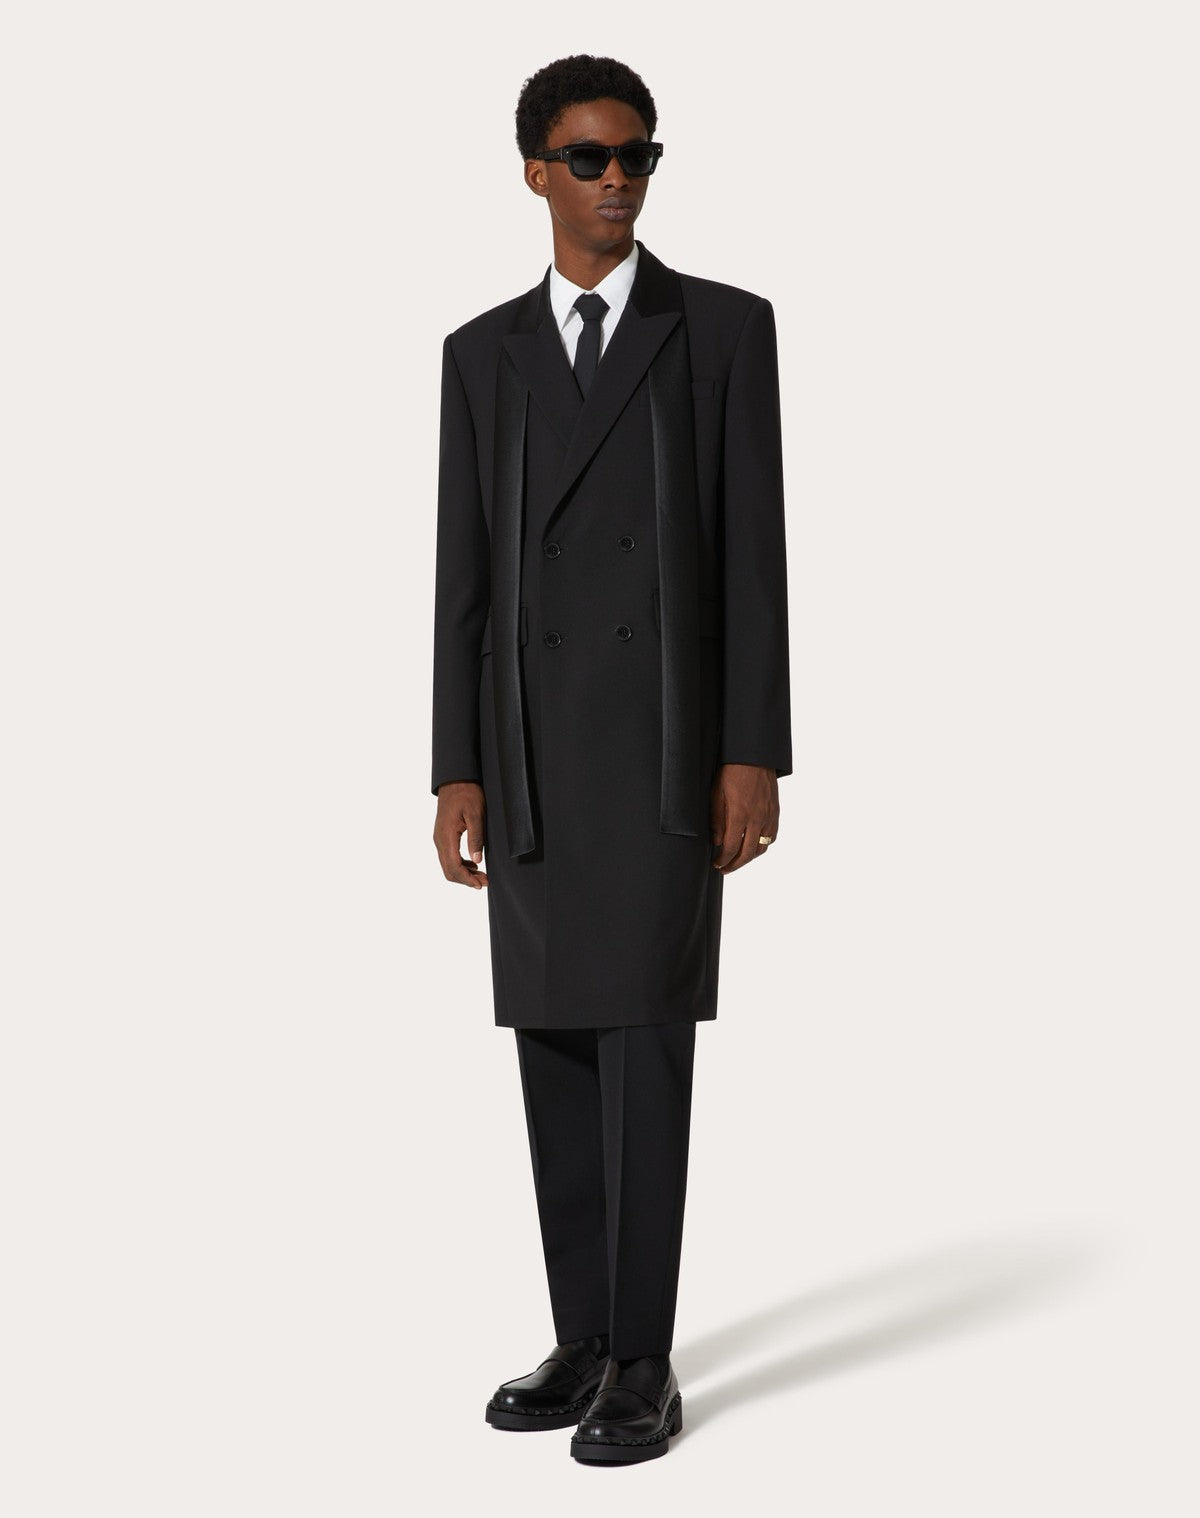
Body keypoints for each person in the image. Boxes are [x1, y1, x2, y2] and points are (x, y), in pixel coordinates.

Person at [430, 53, 791, 1465]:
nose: (618, 178)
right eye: (589, 157)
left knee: (645, 1047)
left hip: (661, 752)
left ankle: (644, 1357)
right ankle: (581, 1335)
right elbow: (463, 580)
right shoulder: (481, 354)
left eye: (638, 154)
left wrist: (753, 748)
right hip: (527, 753)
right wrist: (455, 764)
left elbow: (754, 559)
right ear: (536, 173)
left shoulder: (723, 331)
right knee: (556, 1047)